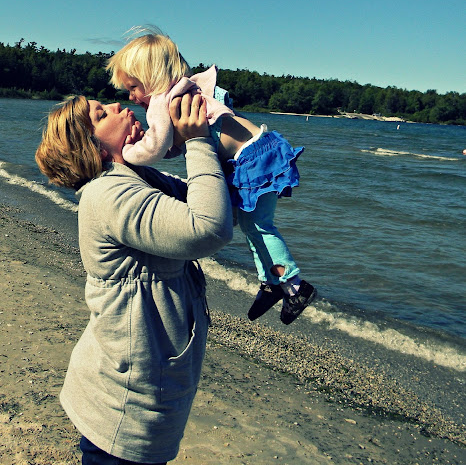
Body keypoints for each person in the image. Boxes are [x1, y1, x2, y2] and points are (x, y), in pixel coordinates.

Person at [35, 93, 233, 465]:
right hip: (122, 407)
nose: (117, 106)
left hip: (134, 391)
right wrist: (197, 142)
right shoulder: (109, 193)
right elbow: (208, 228)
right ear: (92, 146)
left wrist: (216, 137)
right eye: (101, 114)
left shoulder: (139, 178)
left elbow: (217, 201)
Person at [106, 27, 317, 326]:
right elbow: (176, 143)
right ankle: (271, 282)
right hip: (258, 151)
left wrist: (128, 152)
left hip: (251, 160)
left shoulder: (164, 101)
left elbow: (155, 147)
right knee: (249, 225)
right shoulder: (185, 90)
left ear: (152, 78)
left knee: (259, 226)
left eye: (133, 87)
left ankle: (294, 286)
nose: (130, 96)